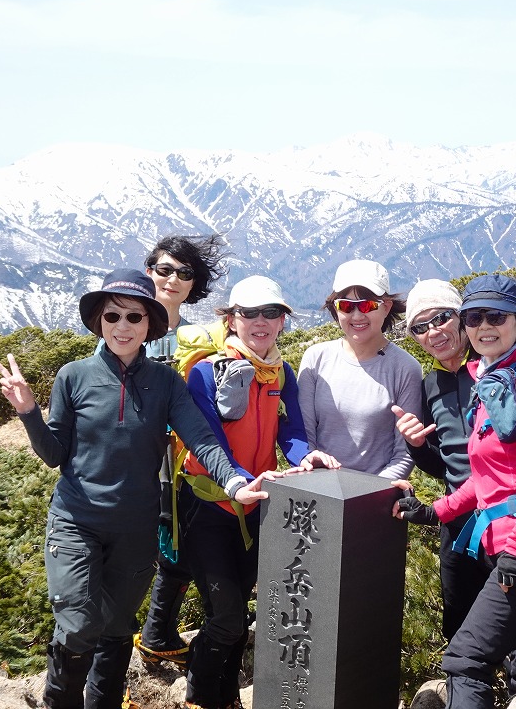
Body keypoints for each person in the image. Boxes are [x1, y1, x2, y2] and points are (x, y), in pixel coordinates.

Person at [0, 268, 270, 709]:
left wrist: (234, 482)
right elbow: (55, 453)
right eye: (112, 316)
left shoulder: (165, 381)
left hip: (137, 529)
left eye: (134, 317)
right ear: (99, 321)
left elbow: (200, 438)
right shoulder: (73, 376)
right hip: (76, 521)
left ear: (149, 324)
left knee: (117, 627)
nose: (122, 326)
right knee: (79, 625)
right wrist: (28, 412)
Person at [392, 274, 516, 709]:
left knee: (467, 658)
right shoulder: (491, 381)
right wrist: (437, 510)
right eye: (475, 317)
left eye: (496, 316)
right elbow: (488, 476)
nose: (484, 326)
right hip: (500, 538)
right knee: (473, 652)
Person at [179, 275, 339, 709]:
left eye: (272, 313)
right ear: (231, 320)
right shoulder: (205, 372)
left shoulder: (280, 372)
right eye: (249, 313)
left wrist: (305, 456)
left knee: (236, 613)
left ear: (283, 321)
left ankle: (227, 696)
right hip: (208, 506)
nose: (261, 321)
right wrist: (242, 479)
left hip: (257, 507)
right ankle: (200, 696)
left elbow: (292, 431)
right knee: (227, 616)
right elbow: (207, 441)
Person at [133, 235, 229, 667]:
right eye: (164, 269)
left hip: (186, 459)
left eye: (184, 273)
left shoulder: (195, 336)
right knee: (152, 543)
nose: (173, 279)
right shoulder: (129, 324)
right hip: (143, 459)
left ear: (194, 283)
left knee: (179, 539)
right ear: (149, 271)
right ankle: (143, 633)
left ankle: (158, 631)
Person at [390, 280, 490, 642]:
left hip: (507, 515)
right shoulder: (430, 385)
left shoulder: (494, 370)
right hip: (457, 521)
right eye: (420, 326)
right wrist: (416, 445)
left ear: (461, 317)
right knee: (459, 626)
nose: (433, 332)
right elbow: (443, 467)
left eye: (442, 318)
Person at [297, 259, 422, 479]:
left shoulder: (405, 368)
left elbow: (404, 455)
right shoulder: (316, 358)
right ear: (336, 309)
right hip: (318, 487)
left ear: (386, 307)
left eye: (367, 305)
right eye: (346, 306)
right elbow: (305, 439)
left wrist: (369, 493)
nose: (356, 316)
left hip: (377, 490)